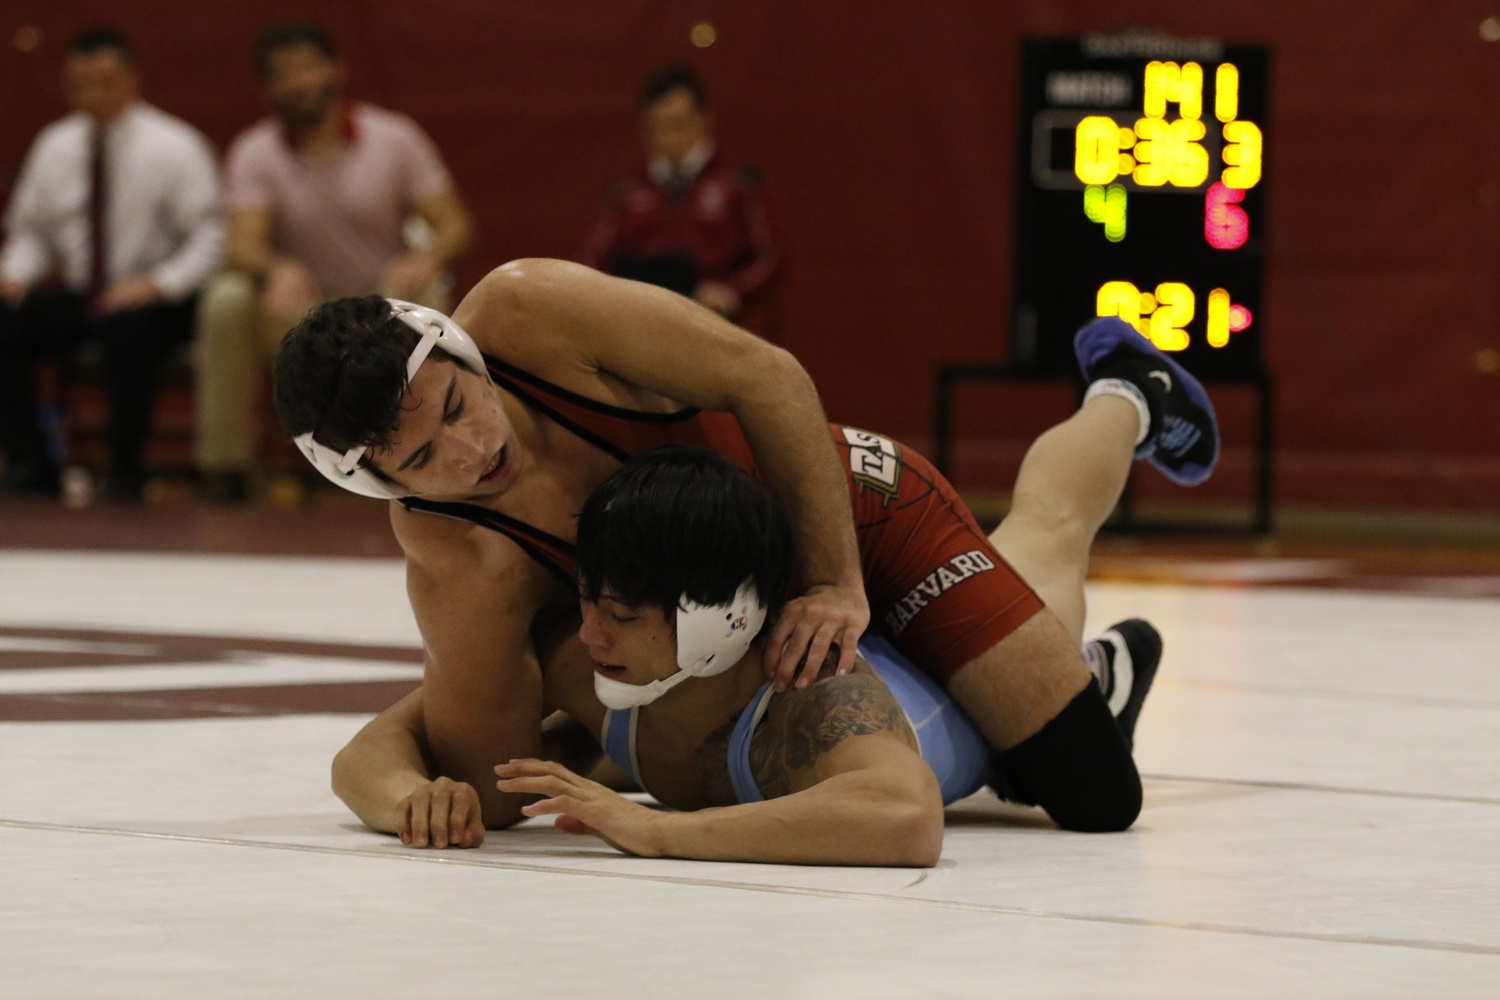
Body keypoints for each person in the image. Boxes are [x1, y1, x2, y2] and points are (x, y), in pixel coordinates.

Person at [268, 259, 1218, 848]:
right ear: (378, 483)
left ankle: (1126, 393)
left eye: (457, 406)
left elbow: (766, 375)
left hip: (849, 514)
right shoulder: (457, 559)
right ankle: (1066, 668)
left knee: (1093, 791)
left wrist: (834, 581)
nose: (473, 453)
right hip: (725, 614)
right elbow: (489, 770)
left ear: (460, 351)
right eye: (425, 458)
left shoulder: (533, 317)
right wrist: (408, 794)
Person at [486, 444, 1163, 866]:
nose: (592, 635)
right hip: (789, 569)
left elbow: (908, 819)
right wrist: (415, 794)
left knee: (1047, 528)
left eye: (621, 616)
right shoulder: (588, 656)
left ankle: (1127, 390)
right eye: (587, 604)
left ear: (718, 618)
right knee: (1042, 529)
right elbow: (403, 733)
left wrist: (658, 832)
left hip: (908, 572)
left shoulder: (818, 695)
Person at [194, 20, 474, 502]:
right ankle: (225, 469)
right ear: (269, 89)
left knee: (429, 295)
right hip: (299, 312)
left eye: (307, 67)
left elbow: (456, 225)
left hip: (381, 305)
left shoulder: (394, 138)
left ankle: (430, 453)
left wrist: (425, 256)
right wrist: (276, 267)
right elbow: (242, 243)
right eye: (284, 73)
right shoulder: (256, 150)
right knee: (227, 300)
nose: (299, 82)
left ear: (336, 71)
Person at [0, 27, 224, 499]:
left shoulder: (175, 146)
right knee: (7, 320)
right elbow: (31, 233)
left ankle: (124, 468)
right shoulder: (54, 146)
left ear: (131, 79)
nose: (93, 93)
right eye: (80, 82)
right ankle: (31, 463)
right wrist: (17, 274)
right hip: (86, 293)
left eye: (105, 79)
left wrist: (160, 283)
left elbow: (209, 235)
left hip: (156, 298)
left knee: (130, 327)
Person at [579, 65, 781, 327]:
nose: (670, 138)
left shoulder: (741, 186)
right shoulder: (627, 194)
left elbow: (771, 258)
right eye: (659, 128)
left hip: (720, 328)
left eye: (679, 125)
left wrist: (731, 291)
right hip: (640, 328)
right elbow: (595, 260)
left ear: (705, 119)